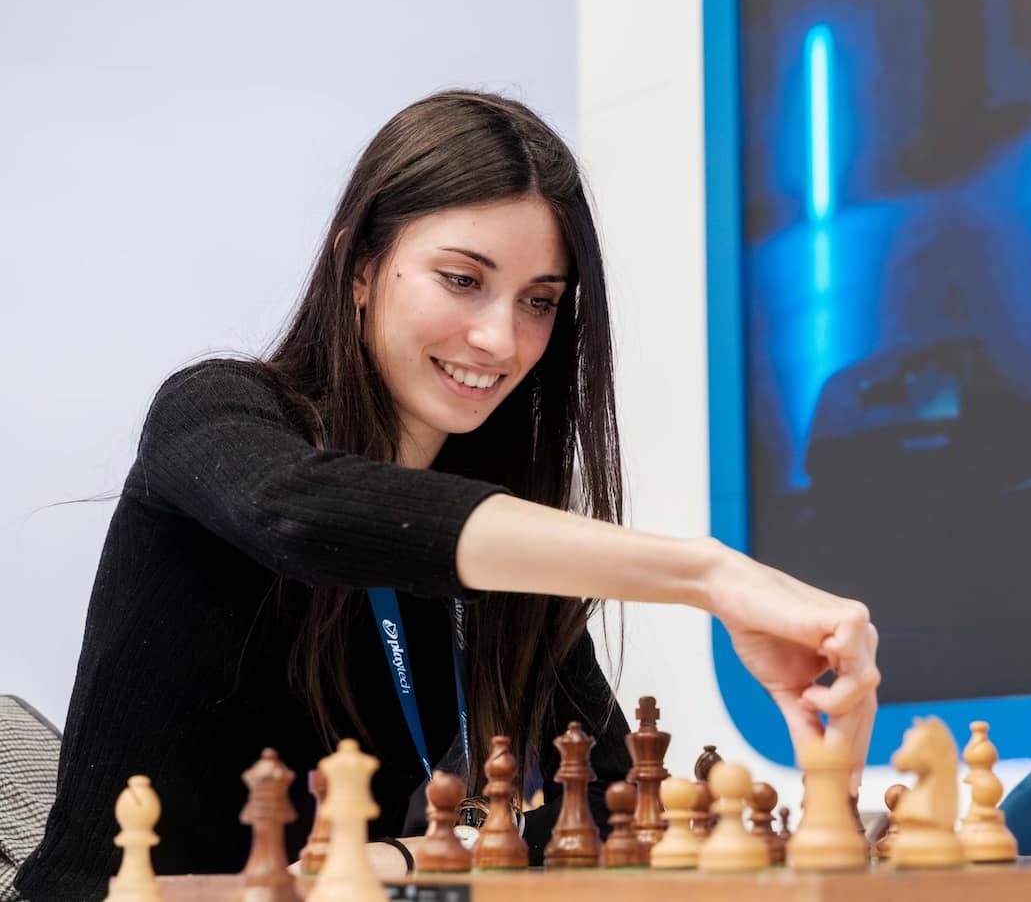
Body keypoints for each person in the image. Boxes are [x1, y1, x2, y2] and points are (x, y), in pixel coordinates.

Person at [15, 89, 879, 901]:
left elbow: (605, 818)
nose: (500, 338)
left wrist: (828, 797)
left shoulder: (496, 540)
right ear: (362, 264)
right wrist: (706, 574)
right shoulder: (215, 413)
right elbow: (299, 515)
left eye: (539, 301)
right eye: (463, 280)